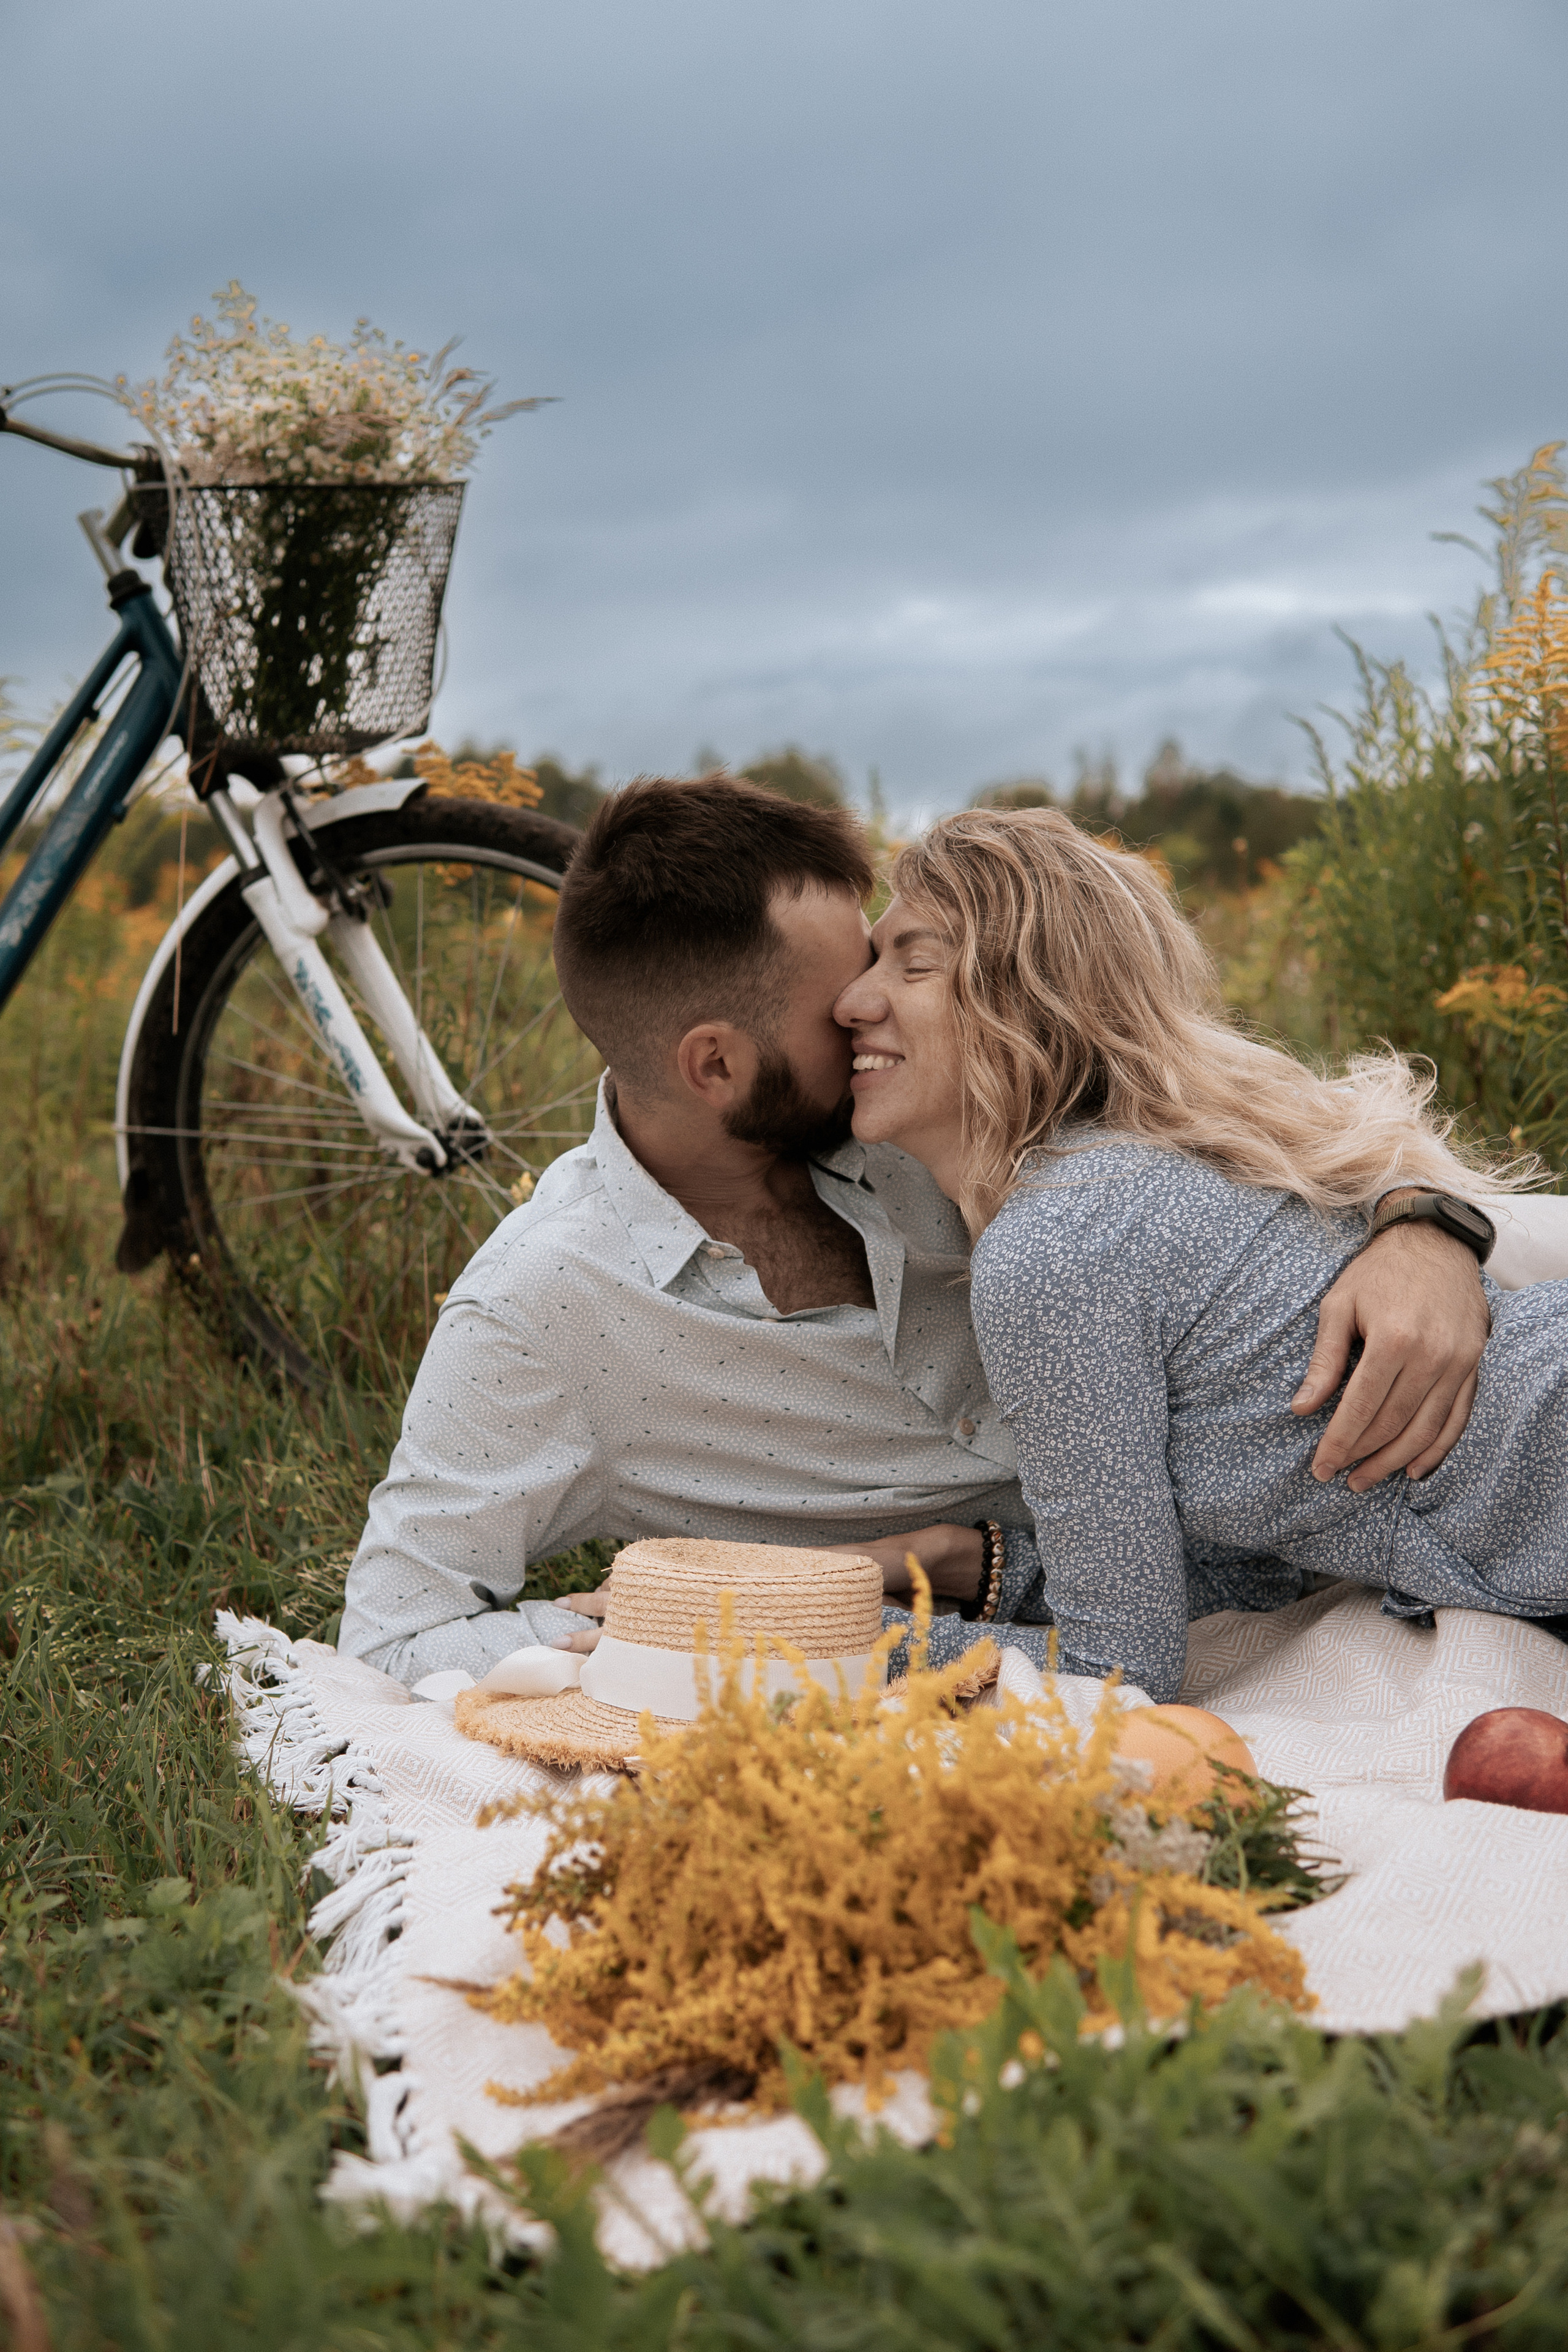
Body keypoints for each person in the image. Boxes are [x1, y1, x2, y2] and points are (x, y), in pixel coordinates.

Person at [339, 777, 1493, 1687]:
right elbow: (392, 1636)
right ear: (719, 1066)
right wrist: (669, 1635)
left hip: (1337, 1491)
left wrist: (1428, 1228)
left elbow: (1248, 1110)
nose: (863, 1010)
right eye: (840, 995)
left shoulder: (935, 1116)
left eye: (893, 967)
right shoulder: (546, 1312)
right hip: (1188, 1569)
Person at [832, 805, 1568, 1702]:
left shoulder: (1054, 1244)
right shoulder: (1126, 1183)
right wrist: (969, 1563)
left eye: (913, 964)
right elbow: (1247, 1582)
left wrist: (806, 1638)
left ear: (1024, 997)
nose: (852, 1003)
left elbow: (1119, 1673)